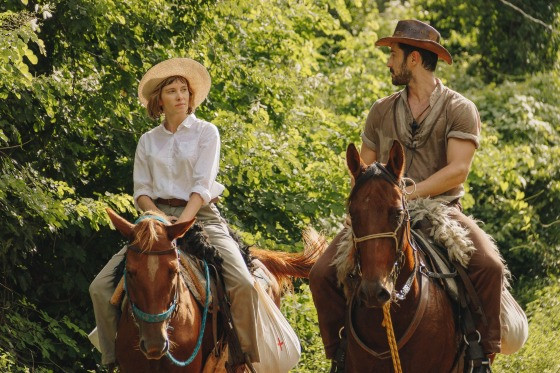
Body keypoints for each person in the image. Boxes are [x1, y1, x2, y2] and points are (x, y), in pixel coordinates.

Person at [309, 19, 504, 369]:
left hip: (440, 210)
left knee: (488, 265)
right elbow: (364, 165)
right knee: (321, 273)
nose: (388, 62)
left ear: (414, 59)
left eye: (393, 54)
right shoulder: (381, 110)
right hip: (382, 211)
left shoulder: (459, 108)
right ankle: (339, 352)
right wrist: (373, 193)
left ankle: (481, 354)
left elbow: (458, 169)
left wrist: (408, 193)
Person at [89, 57, 259, 369]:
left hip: (200, 213)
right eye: (172, 90)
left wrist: (181, 221)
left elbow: (202, 185)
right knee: (99, 287)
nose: (180, 95)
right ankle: (111, 357)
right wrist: (158, 220)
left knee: (244, 283)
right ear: (159, 100)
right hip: (154, 216)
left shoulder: (207, 132)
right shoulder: (147, 140)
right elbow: (141, 191)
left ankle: (244, 355)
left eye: (184, 90)